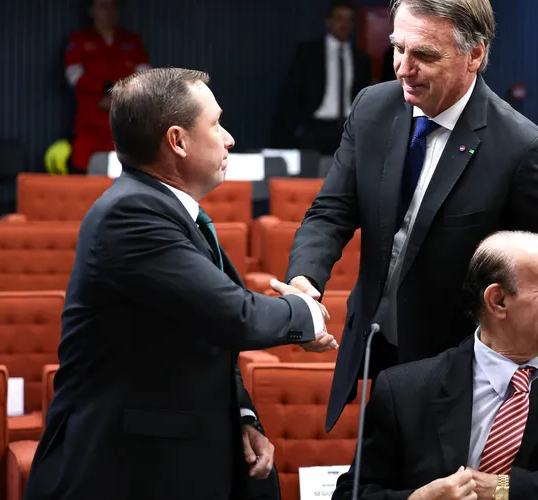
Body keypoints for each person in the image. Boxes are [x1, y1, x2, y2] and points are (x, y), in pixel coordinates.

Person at [23, 68, 338, 500]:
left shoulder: (163, 210)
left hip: (173, 455)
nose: (229, 139)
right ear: (178, 141)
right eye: (216, 124)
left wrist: (242, 415)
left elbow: (203, 333)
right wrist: (305, 312)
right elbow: (233, 315)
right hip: (123, 471)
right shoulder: (131, 215)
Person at [281, 0, 538, 433]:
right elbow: (332, 210)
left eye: (423, 54)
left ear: (474, 54)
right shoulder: (372, 107)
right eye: (397, 48)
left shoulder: (523, 149)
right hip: (372, 349)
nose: (403, 68)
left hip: (459, 372)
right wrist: (304, 279)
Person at [333, 231, 538, 500]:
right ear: (498, 301)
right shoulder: (405, 389)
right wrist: (417, 499)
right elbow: (353, 493)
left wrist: (504, 489)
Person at [272, 0, 373, 153]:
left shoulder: (362, 59)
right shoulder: (308, 53)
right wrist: (298, 128)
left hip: (349, 129)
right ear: (328, 21)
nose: (345, 24)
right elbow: (291, 93)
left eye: (349, 20)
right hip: (315, 129)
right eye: (339, 19)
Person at [64, 0, 150, 174]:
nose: (108, 12)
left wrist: (119, 96)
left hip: (125, 126)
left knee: (129, 177)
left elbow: (146, 77)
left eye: (113, 6)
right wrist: (102, 87)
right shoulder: (80, 40)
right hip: (91, 128)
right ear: (92, 10)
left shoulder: (131, 41)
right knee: (84, 177)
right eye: (103, 7)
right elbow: (73, 75)